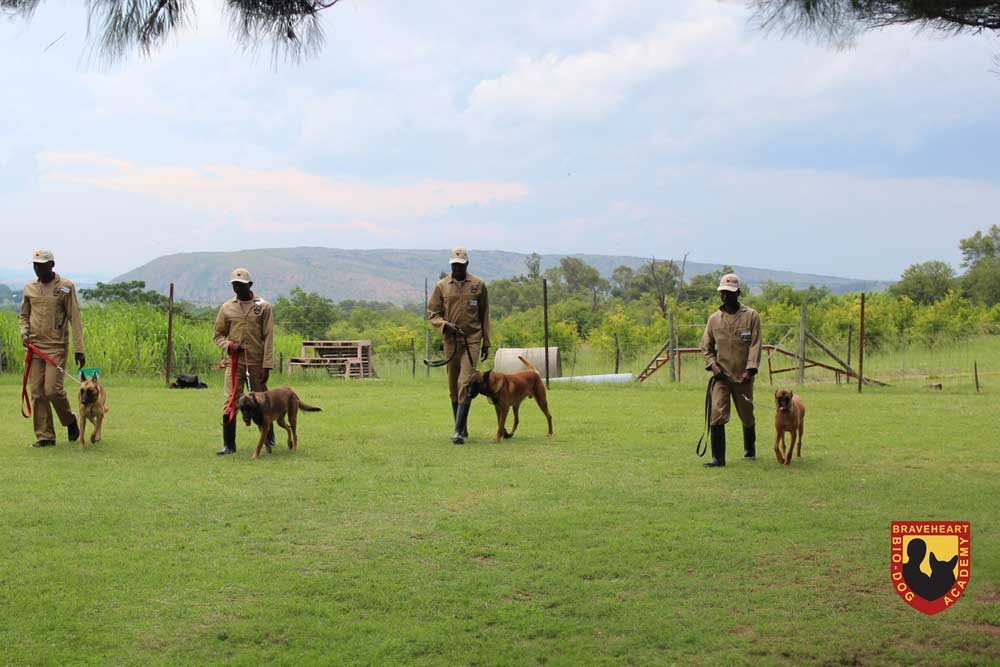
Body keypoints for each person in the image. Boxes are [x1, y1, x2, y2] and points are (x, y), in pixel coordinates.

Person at [18, 250, 86, 448]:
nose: (38, 268)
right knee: (37, 392)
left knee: (52, 390)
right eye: (35, 264)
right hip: (34, 346)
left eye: (42, 264)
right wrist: (24, 333)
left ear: (52, 265)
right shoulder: (29, 288)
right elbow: (23, 315)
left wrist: (79, 349)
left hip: (56, 346)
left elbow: (75, 317)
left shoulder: (65, 287)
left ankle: (70, 420)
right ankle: (45, 436)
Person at [427, 247, 491, 444]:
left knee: (465, 382)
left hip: (472, 338)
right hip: (450, 341)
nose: (457, 268)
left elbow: (485, 316)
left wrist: (486, 342)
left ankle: (457, 432)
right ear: (450, 264)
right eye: (454, 265)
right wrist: (445, 325)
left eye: (460, 265)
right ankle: (462, 427)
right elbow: (432, 314)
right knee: (453, 385)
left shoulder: (479, 285)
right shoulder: (442, 286)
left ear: (467, 265)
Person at [700, 273, 762, 467]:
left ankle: (749, 449)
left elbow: (755, 345)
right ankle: (718, 458)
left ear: (739, 293)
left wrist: (750, 370)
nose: (725, 296)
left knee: (747, 415)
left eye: (730, 292)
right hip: (721, 377)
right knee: (716, 413)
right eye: (723, 292)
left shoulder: (751, 316)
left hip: (743, 377)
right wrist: (712, 365)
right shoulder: (714, 320)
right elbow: (706, 347)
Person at [213, 268, 274, 456]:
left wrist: (267, 365)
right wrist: (230, 345)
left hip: (256, 362)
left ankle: (268, 437)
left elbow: (268, 337)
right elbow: (218, 335)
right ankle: (229, 445)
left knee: (262, 400)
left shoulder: (263, 306)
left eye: (241, 285)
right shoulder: (226, 308)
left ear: (250, 285)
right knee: (230, 400)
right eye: (234, 285)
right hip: (234, 363)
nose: (237, 288)